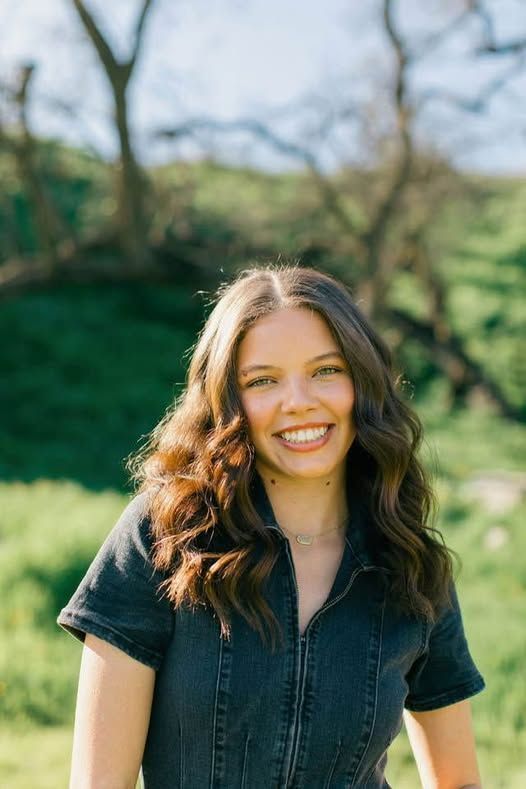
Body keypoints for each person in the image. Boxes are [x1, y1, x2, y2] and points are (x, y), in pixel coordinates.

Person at [58, 264, 485, 789]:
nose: (299, 402)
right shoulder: (162, 536)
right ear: (226, 401)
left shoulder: (409, 562)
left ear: (363, 381)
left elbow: (459, 780)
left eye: (327, 370)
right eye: (262, 381)